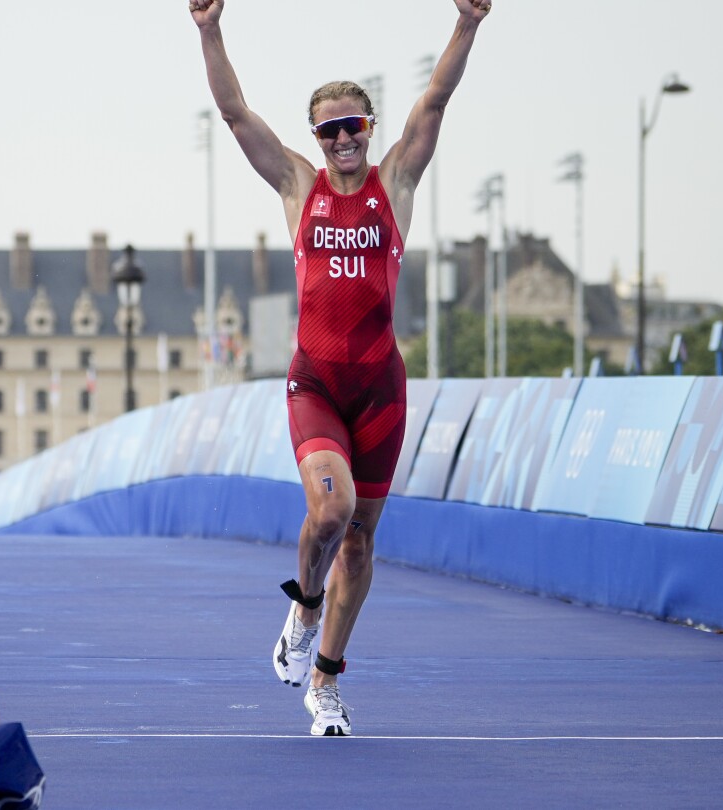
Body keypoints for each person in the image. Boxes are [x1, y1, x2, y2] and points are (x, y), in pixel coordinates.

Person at [191, 0, 492, 736]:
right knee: (329, 512)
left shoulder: (398, 186)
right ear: (316, 139)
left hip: (381, 390)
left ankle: (324, 684)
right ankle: (303, 603)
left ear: (369, 130)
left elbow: (437, 99)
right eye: (328, 129)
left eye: (353, 125)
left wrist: (469, 23)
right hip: (317, 385)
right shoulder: (300, 189)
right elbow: (234, 114)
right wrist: (209, 29)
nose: (341, 139)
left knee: (360, 538)